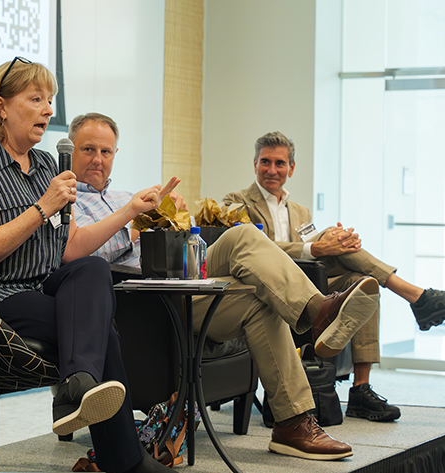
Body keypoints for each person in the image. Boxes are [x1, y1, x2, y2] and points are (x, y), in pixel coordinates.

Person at [69, 112, 378, 460]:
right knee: (244, 237)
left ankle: (292, 421)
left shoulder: (125, 196)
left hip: (180, 281)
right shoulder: (68, 201)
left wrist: (170, 218)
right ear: (71, 151)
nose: (98, 159)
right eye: (88, 149)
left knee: (261, 285)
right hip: (146, 304)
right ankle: (315, 315)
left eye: (106, 152)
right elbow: (78, 253)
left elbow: (162, 242)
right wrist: (133, 220)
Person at [0, 57, 197, 473]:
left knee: (93, 271)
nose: (48, 110)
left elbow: (71, 248)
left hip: (41, 285)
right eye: (36, 99)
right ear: (2, 106)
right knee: (103, 331)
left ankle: (77, 388)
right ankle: (124, 459)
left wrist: (129, 211)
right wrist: (42, 208)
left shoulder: (47, 165)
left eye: (51, 100)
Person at [223, 131, 445, 422]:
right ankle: (416, 296)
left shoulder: (300, 211)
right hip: (266, 288)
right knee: (330, 244)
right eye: (265, 162)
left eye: (280, 163)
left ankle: (361, 390)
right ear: (255, 164)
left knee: (361, 284)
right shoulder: (236, 202)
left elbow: (314, 250)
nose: (272, 170)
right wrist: (316, 246)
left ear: (291, 168)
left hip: (308, 283)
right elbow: (251, 248)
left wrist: (336, 240)